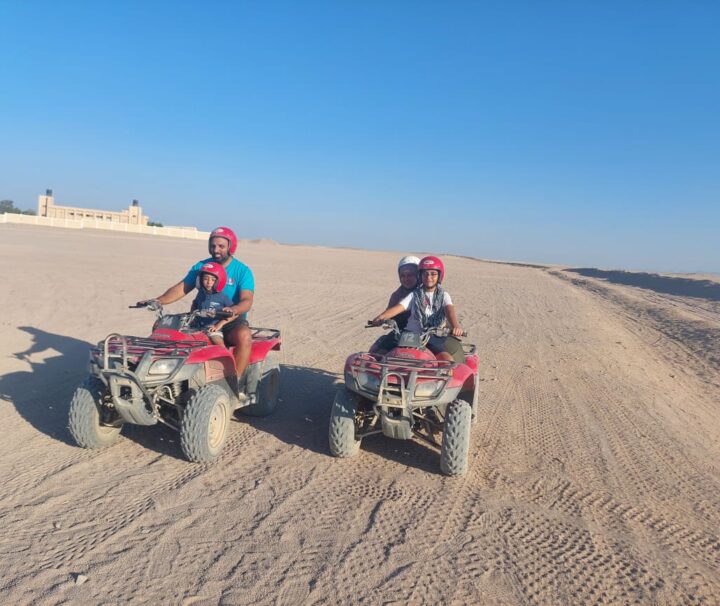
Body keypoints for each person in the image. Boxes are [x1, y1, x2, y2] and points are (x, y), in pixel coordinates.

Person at [139, 226, 255, 386]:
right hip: (202, 315)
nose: (216, 250)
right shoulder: (202, 266)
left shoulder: (242, 271)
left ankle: (235, 382)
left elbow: (247, 300)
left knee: (244, 336)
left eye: (221, 246)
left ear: (231, 247)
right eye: (213, 246)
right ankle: (159, 374)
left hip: (229, 321)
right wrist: (158, 300)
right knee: (161, 327)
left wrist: (233, 310)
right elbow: (182, 288)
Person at [370, 255, 465, 363]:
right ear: (420, 275)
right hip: (409, 334)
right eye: (425, 274)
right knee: (379, 354)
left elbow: (449, 310)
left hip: (432, 335)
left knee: (447, 360)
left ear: (439, 275)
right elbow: (399, 307)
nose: (429, 277)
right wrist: (381, 317)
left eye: (433, 274)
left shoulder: (444, 295)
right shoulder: (413, 295)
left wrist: (456, 326)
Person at [369, 255, 420, 354]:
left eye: (410, 275)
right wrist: (381, 320)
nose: (406, 279)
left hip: (425, 334)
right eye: (403, 275)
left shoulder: (427, 293)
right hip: (401, 334)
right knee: (376, 353)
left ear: (419, 275)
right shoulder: (396, 295)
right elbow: (390, 312)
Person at [190, 262, 234, 346]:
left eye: (213, 280)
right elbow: (194, 304)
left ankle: (225, 356)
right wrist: (192, 316)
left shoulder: (222, 297)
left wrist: (218, 325)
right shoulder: (200, 294)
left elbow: (234, 314)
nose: (209, 282)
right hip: (198, 327)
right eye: (205, 279)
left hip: (213, 328)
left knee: (217, 341)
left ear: (218, 281)